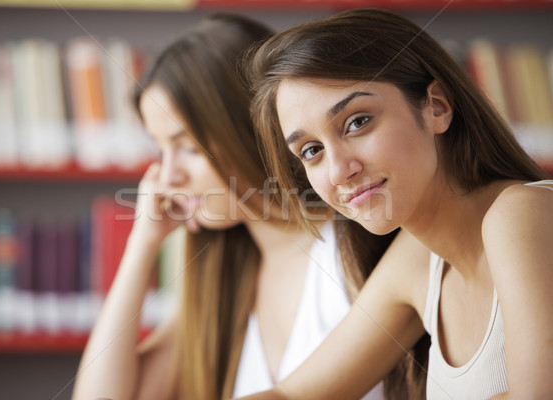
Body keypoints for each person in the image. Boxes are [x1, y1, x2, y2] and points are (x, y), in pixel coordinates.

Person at [71, 13, 399, 400]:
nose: (165, 176)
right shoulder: (225, 279)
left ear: (254, 129)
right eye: (160, 149)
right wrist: (142, 243)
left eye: (188, 147)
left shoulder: (357, 241)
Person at [235, 8, 553, 400]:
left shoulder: (521, 213)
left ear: (436, 107)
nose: (338, 172)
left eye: (357, 122)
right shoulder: (420, 258)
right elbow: (292, 395)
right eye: (312, 150)